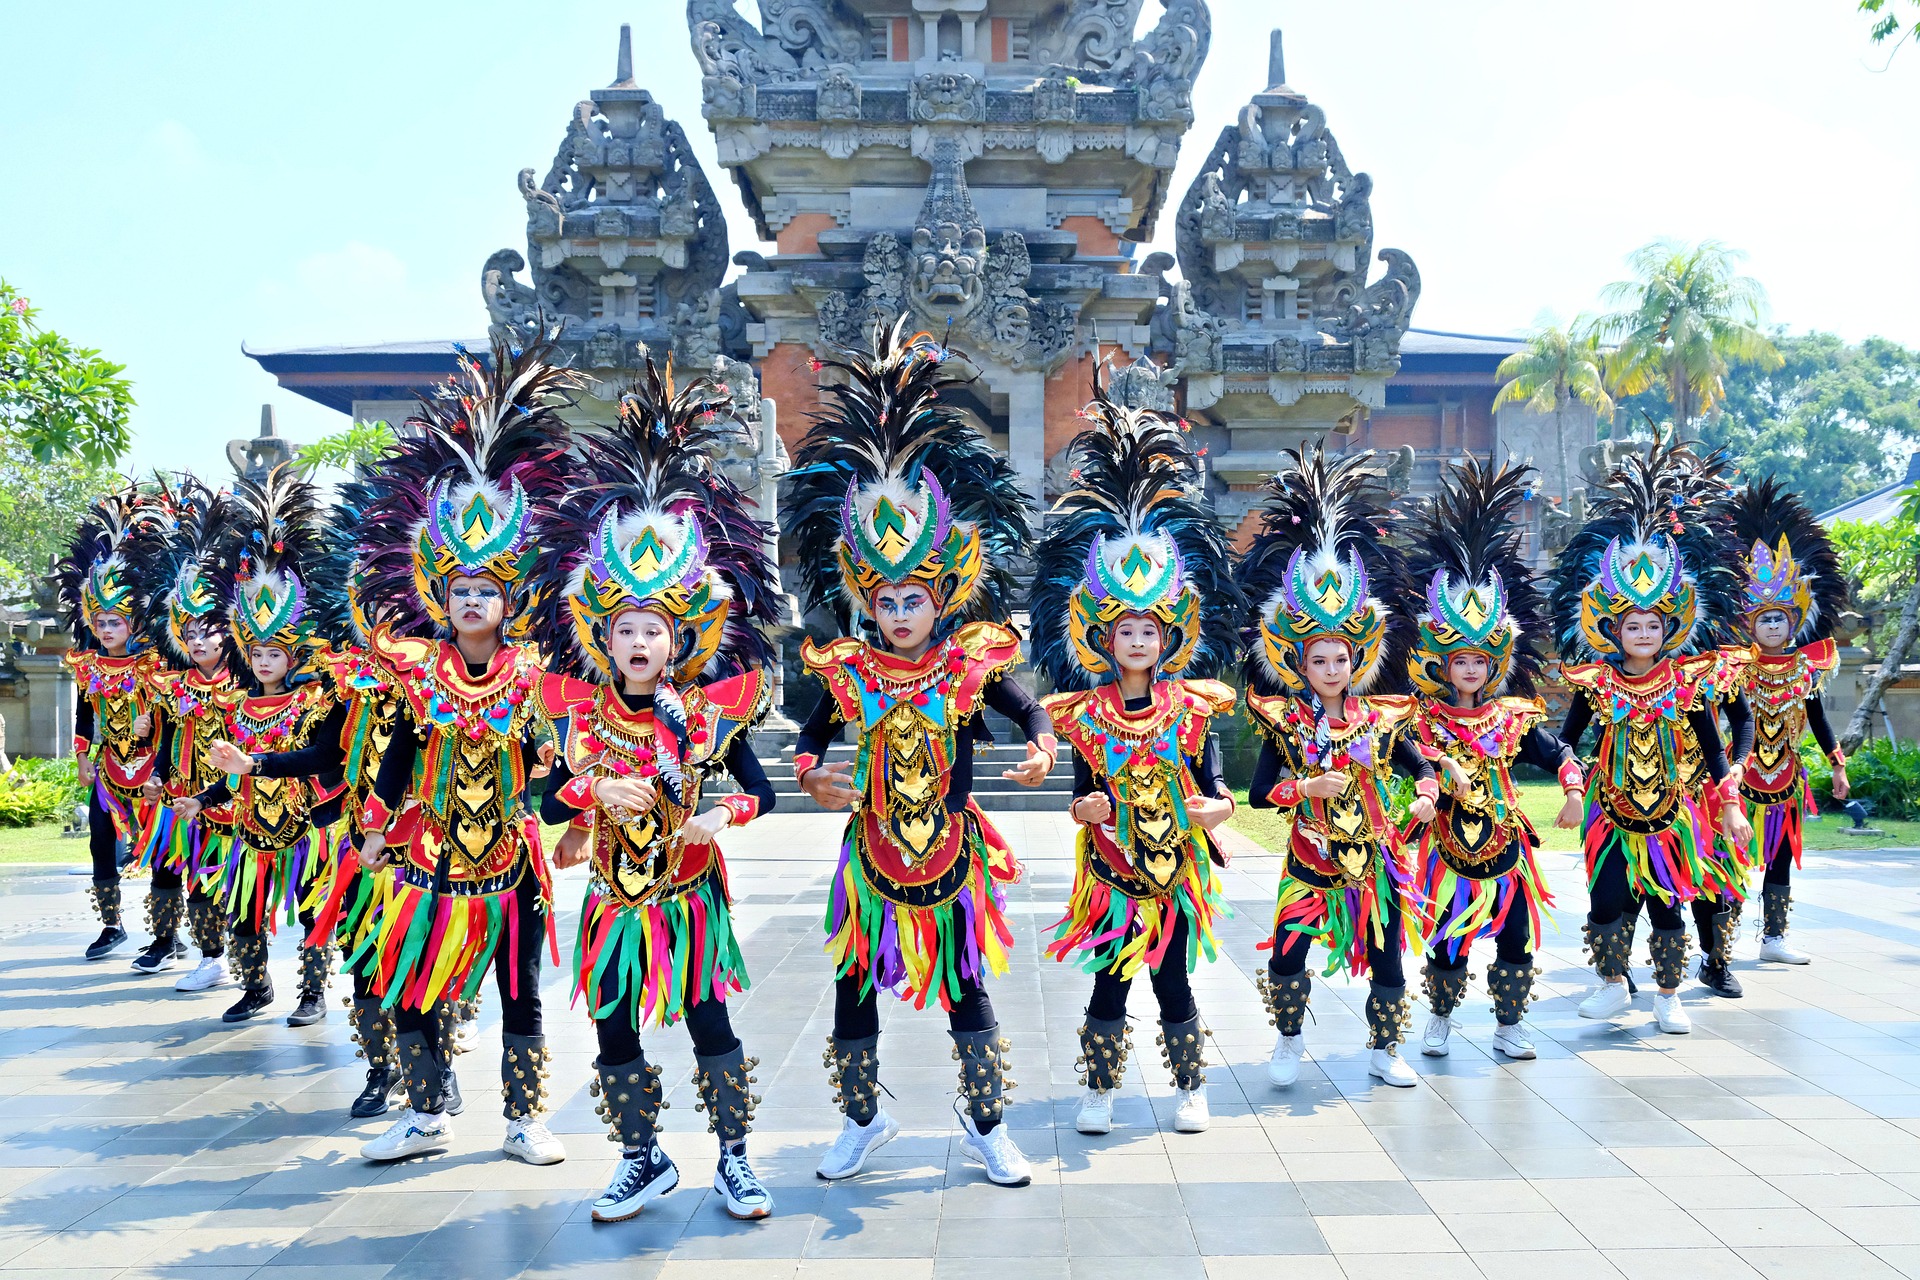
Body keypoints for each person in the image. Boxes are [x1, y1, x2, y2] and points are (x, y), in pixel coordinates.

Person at [783, 318, 1054, 1187]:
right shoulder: (849, 664)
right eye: (888, 598)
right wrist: (810, 768)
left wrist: (1046, 745)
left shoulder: (971, 658)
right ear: (870, 598)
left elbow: (1024, 705)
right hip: (867, 854)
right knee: (852, 991)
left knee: (967, 990)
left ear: (942, 597)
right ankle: (862, 1123)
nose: (901, 613)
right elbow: (819, 726)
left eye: (915, 599)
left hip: (951, 852)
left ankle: (988, 1127)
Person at [326, 335, 593, 1165]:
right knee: (412, 985)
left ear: (510, 599)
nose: (474, 600)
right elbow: (400, 753)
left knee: (518, 993)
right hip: (429, 852)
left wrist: (574, 813)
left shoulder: (536, 676)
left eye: (488, 590)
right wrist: (376, 823)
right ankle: (429, 1111)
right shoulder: (417, 673)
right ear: (440, 596)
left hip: (512, 856)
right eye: (461, 589)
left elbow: (562, 762)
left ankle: (524, 1121)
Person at [534, 360, 783, 1221]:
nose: (639, 640)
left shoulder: (711, 715)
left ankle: (734, 1160)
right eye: (625, 628)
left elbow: (760, 793)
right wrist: (593, 791)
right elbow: (545, 802)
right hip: (610, 899)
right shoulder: (575, 715)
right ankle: (641, 1158)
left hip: (689, 898)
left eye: (654, 629)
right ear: (603, 639)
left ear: (678, 642)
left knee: (708, 1025)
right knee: (613, 1030)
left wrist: (719, 813)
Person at [1025, 376, 1241, 1137]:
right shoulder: (1082, 715)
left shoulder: (1195, 708)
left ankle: (1190, 1086)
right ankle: (1100, 1090)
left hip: (1175, 870)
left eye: (1151, 629)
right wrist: (1084, 807)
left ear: (1170, 636)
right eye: (1126, 631)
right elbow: (1084, 794)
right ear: (1102, 638)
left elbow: (1214, 790)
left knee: (1174, 979)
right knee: (1109, 985)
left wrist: (1213, 808)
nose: (1139, 640)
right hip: (1111, 873)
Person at [1238, 446, 1438, 1090]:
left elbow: (1421, 762)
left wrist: (1429, 792)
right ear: (1299, 663)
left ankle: (1386, 1049)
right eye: (1318, 659)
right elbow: (1260, 792)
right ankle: (1289, 1040)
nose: (1330, 668)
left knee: (1388, 952)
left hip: (1377, 856)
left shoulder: (1382, 715)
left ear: (1357, 660)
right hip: (1309, 856)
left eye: (1340, 659)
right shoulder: (1285, 720)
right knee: (1291, 952)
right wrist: (1307, 786)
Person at [1550, 438, 1753, 1034]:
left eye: (1653, 625)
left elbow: (1715, 747)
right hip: (1609, 814)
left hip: (1672, 819)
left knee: (1669, 906)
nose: (1643, 632)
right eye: (1632, 624)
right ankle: (1613, 985)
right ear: (1613, 629)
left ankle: (1668, 995)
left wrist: (1732, 807)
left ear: (1671, 628)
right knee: (1605, 903)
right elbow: (1566, 740)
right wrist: (1569, 783)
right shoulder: (1595, 684)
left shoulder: (1685, 683)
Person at [1401, 459, 1583, 1062]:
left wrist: (1573, 787)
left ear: (1494, 664)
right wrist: (1435, 770)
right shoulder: (1423, 718)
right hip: (1447, 846)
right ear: (1443, 665)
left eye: (1481, 660)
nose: (1472, 670)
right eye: (1461, 661)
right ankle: (1441, 1020)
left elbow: (1553, 748)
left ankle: (1509, 1025)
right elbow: (1404, 756)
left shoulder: (1514, 714)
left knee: (1515, 935)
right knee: (1448, 940)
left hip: (1507, 845)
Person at [171, 466, 344, 1027]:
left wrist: (258, 764)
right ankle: (256, 986)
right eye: (259, 652)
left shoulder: (315, 701)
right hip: (250, 833)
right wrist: (205, 797)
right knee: (242, 915)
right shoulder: (240, 707)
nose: (266, 660)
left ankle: (313, 994)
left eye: (276, 652)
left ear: (292, 655)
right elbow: (237, 771)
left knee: (315, 914)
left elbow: (321, 760)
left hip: (306, 831)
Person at [1719, 478, 1850, 968]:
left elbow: (1817, 718)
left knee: (1779, 859)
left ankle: (1774, 937)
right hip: (1740, 778)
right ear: (1748, 624)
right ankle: (1722, 937)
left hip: (1787, 778)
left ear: (1794, 621)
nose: (1773, 626)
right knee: (1730, 858)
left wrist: (1837, 766)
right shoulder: (1734, 666)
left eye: (1781, 619)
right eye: (1764, 619)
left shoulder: (1806, 667)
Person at [136, 476, 242, 990]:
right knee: (168, 876)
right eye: (190, 633)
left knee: (217, 887)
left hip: (229, 803)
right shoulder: (172, 686)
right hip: (179, 803)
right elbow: (163, 740)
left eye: (209, 630)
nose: (199, 641)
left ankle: (230, 963)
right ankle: (193, 951)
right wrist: (154, 776)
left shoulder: (247, 686)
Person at [56, 484, 165, 961]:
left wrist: (153, 730)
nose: (105, 630)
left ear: (132, 623)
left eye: (114, 622)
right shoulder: (89, 667)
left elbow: (172, 718)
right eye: (98, 622)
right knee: (102, 844)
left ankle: (166, 935)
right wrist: (82, 757)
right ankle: (112, 924)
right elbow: (84, 715)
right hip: (107, 769)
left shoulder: (156, 667)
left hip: (152, 770)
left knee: (164, 853)